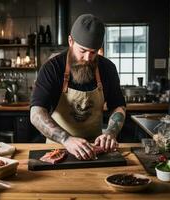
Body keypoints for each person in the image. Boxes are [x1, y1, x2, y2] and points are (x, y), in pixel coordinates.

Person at [30, 14, 126, 160]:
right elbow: (36, 113)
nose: (88, 58)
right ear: (70, 41)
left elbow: (118, 106)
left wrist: (111, 132)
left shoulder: (108, 68)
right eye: (82, 51)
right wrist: (66, 139)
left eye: (93, 52)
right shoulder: (52, 68)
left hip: (96, 148)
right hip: (58, 147)